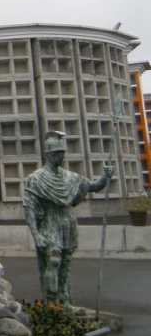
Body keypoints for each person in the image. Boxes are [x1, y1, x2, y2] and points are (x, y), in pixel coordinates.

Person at [23, 130, 113, 305]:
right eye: (58, 153)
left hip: (68, 223)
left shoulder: (70, 177)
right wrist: (36, 234)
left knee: (65, 263)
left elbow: (92, 186)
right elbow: (29, 208)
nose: (62, 157)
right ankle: (51, 302)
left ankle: (64, 301)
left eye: (63, 153)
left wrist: (106, 177)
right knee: (53, 261)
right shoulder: (35, 179)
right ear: (49, 154)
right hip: (49, 223)